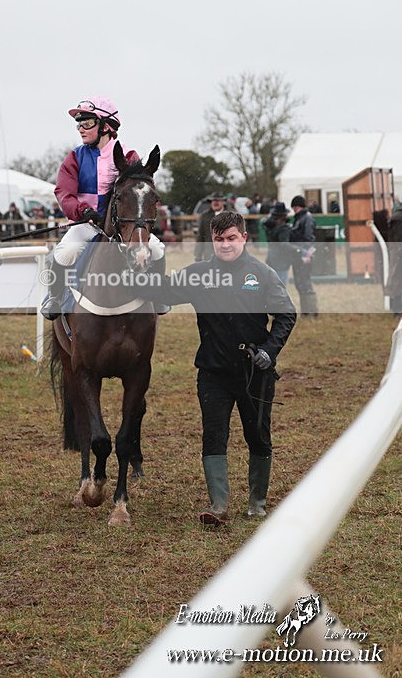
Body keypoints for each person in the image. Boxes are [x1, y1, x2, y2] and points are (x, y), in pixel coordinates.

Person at [135, 210, 296, 526]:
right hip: (213, 373)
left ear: (244, 238)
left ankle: (257, 504)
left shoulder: (262, 274)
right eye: (219, 239)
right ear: (212, 240)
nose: (225, 245)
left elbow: (286, 315)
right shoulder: (198, 274)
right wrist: (142, 269)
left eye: (231, 238)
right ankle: (218, 505)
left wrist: (269, 350)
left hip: (255, 374)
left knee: (258, 436)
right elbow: (162, 290)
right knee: (213, 437)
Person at [41, 95, 166, 320]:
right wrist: (82, 211)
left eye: (87, 123)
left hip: (121, 227)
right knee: (65, 251)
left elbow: (137, 192)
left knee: (157, 249)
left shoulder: (128, 155)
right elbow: (63, 193)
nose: (81, 128)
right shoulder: (74, 157)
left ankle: (157, 293)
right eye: (79, 123)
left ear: (106, 126)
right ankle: (55, 296)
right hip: (86, 223)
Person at [289, 195, 318, 317]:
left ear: (297, 206)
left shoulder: (306, 219)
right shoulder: (300, 218)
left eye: (295, 207)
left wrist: (306, 255)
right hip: (298, 256)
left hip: (304, 256)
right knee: (300, 283)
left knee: (305, 283)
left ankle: (311, 312)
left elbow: (309, 238)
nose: (294, 209)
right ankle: (306, 311)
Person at [263, 202, 293, 285]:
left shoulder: (270, 227)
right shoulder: (283, 228)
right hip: (281, 261)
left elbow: (265, 222)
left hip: (271, 259)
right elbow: (284, 244)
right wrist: (299, 250)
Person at [194, 192, 226, 262]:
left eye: (218, 200)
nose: (215, 202)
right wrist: (198, 255)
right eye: (213, 201)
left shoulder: (231, 215)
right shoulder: (205, 216)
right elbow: (200, 236)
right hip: (209, 254)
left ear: (223, 202)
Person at [385, 201, 402, 315]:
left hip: (396, 253)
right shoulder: (398, 219)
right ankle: (396, 308)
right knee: (397, 280)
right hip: (398, 253)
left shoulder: (396, 218)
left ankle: (396, 307)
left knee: (396, 280)